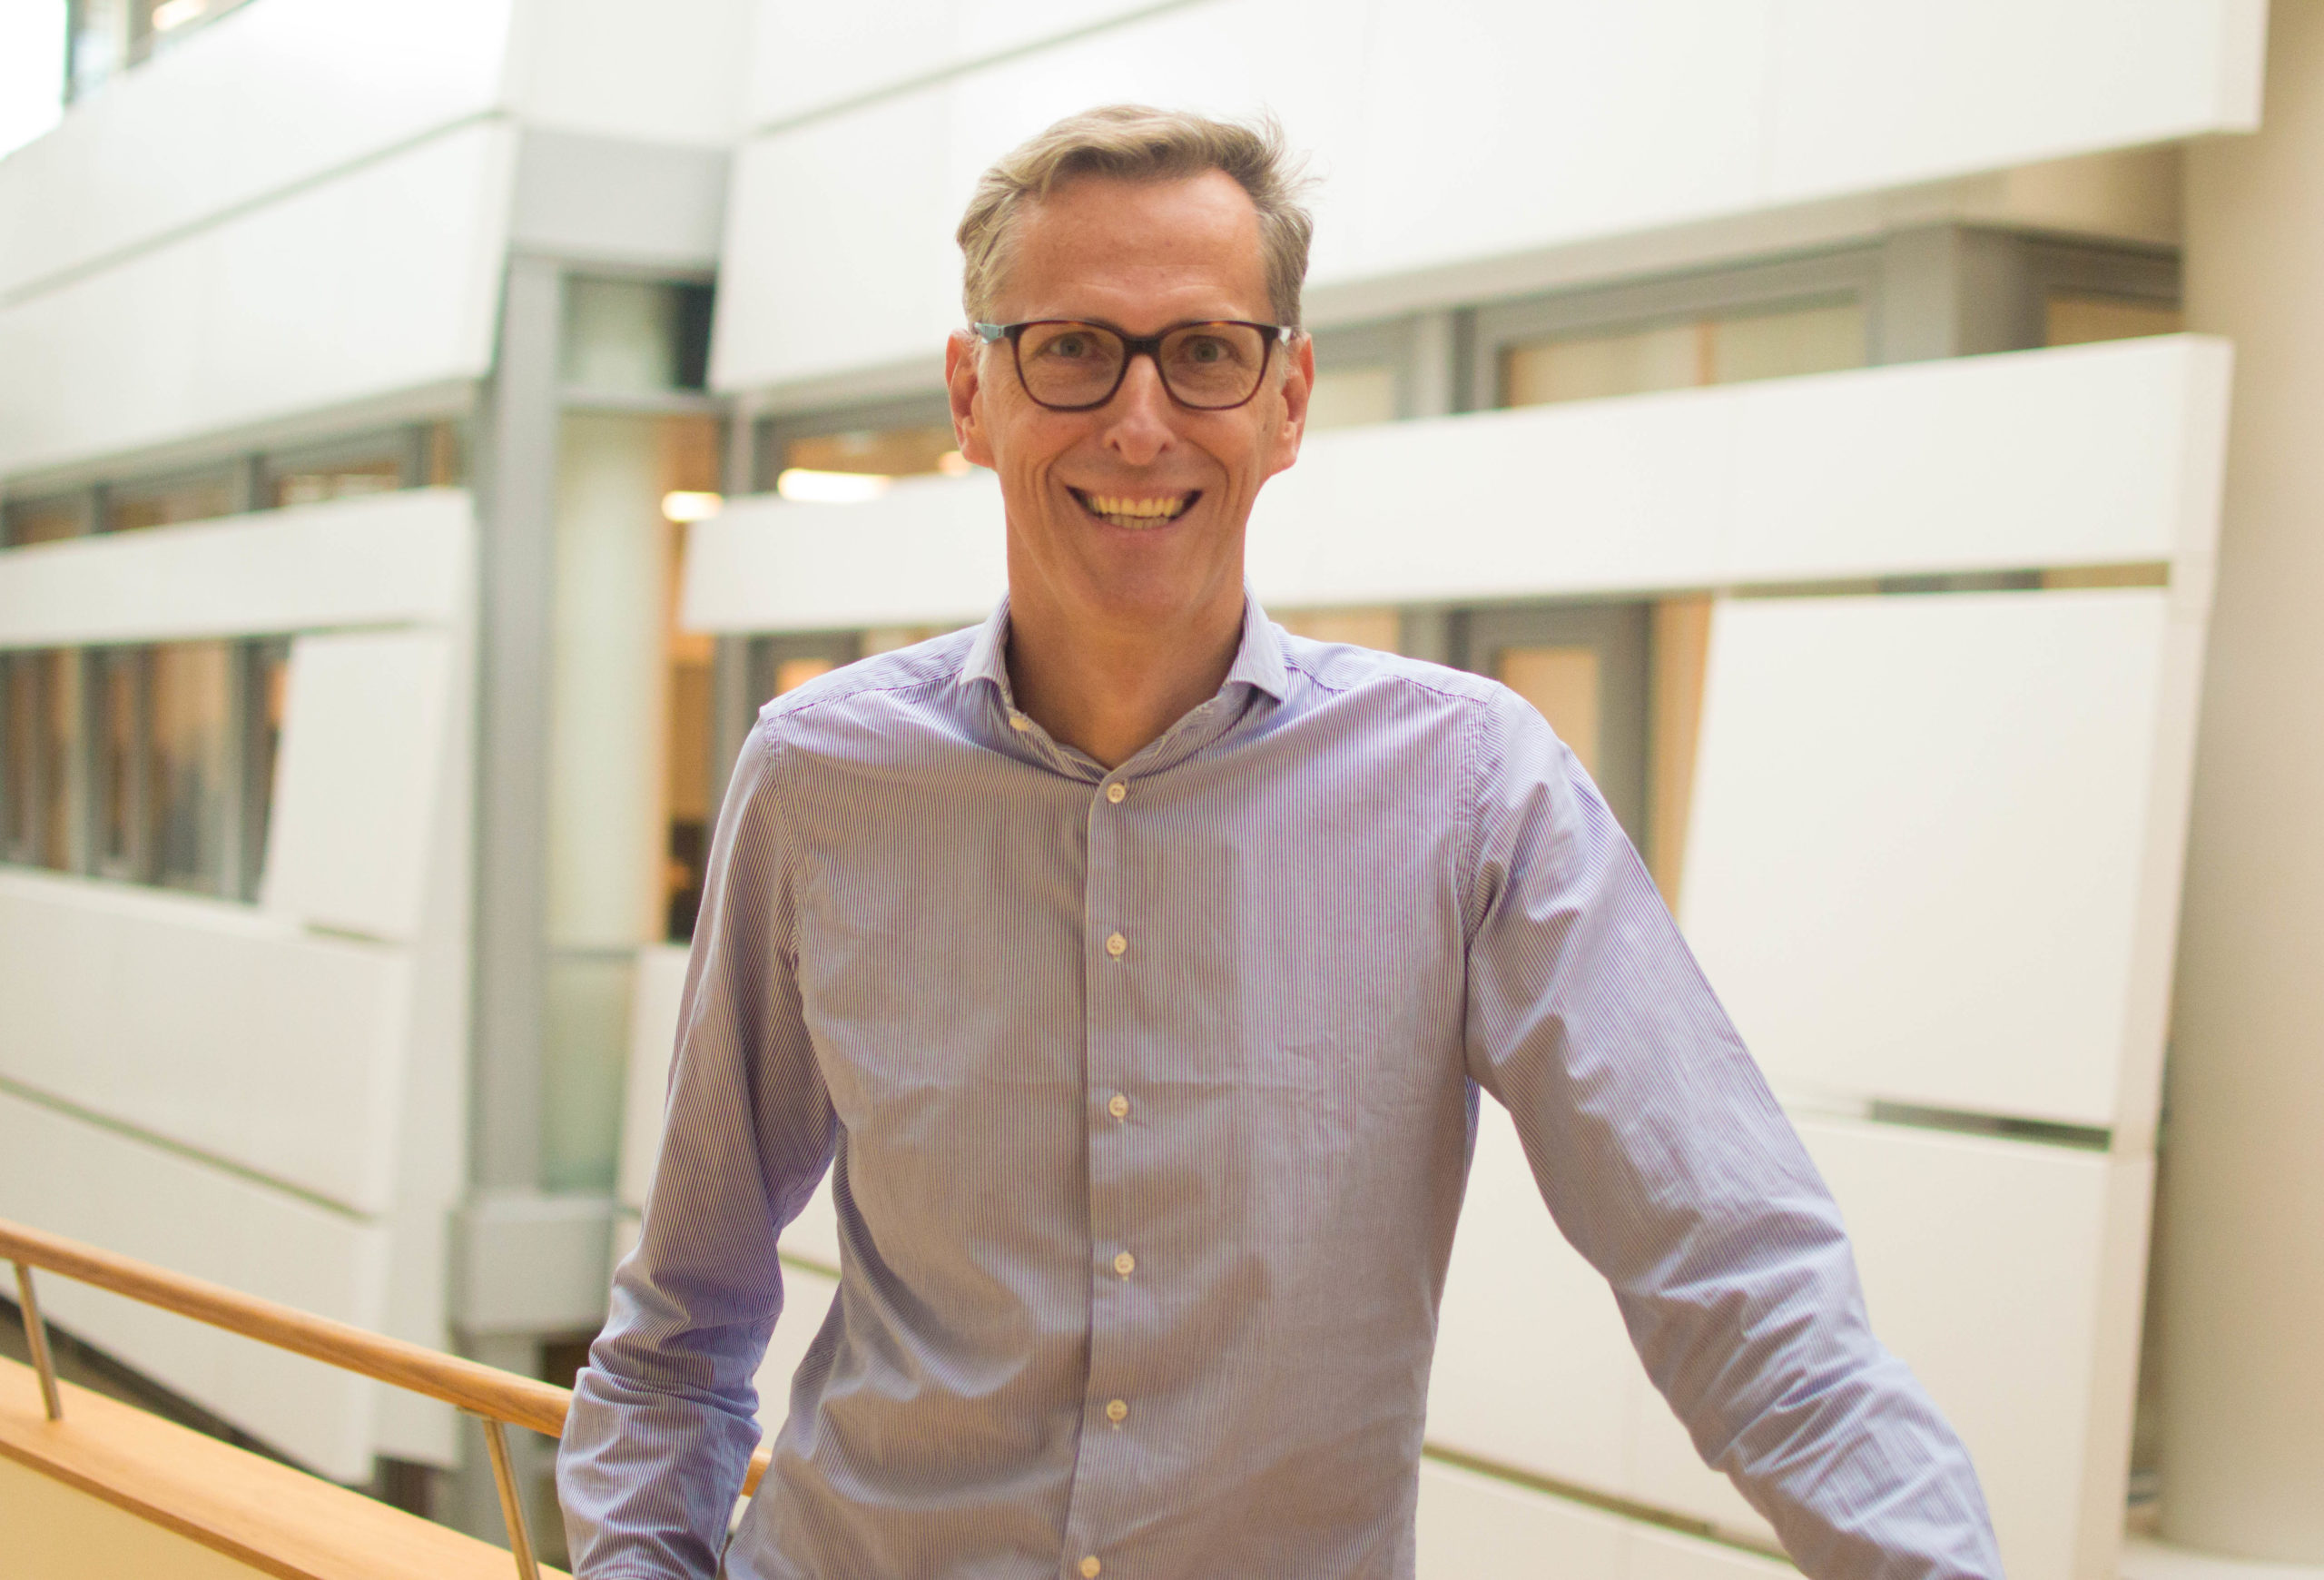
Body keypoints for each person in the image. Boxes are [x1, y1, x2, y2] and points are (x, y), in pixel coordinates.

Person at [558, 105, 2003, 1580]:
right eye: (1071, 348)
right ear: (971, 395)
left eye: (1204, 351)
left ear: (1289, 400)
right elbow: (679, 1331)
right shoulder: (819, 782)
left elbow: (1744, 1292)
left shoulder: (1471, 795)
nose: (1139, 422)